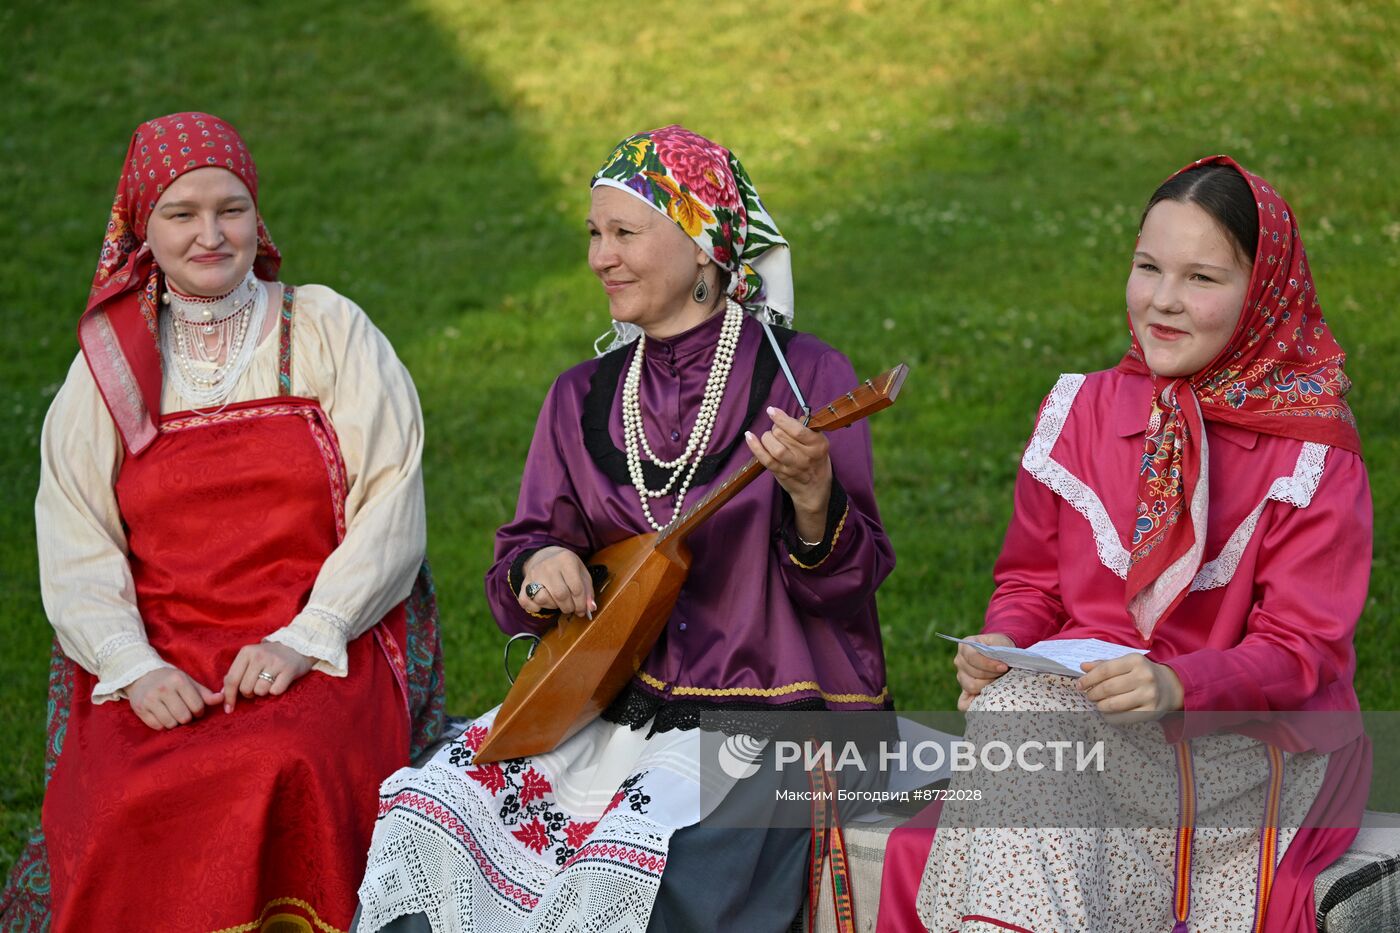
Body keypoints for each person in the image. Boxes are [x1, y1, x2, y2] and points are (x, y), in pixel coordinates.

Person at [355, 125, 895, 933]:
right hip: (604, 700)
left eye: (624, 233)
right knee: (433, 808)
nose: (599, 257)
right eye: (594, 234)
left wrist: (815, 496)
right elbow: (520, 557)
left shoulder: (805, 375)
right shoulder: (581, 394)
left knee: (640, 870)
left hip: (758, 715)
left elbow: (852, 581)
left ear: (705, 243)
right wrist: (542, 563)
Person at [899, 157, 1370, 932]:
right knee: (1018, 710)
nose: (1162, 301)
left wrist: (1178, 685)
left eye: (1202, 279)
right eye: (1148, 266)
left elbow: (1302, 651)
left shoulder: (1313, 454)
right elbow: (1032, 582)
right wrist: (1002, 637)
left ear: (1265, 295)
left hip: (1243, 762)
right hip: (1091, 736)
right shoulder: (1080, 409)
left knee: (1018, 731)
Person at [3, 112, 445, 932]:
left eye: (230, 208)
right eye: (182, 213)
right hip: (164, 647)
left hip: (316, 640)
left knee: (283, 759)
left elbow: (391, 499)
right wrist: (133, 667)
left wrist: (306, 636)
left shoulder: (324, 328)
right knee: (123, 795)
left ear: (257, 214)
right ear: (143, 228)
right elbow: (76, 539)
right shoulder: (108, 367)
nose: (211, 233)